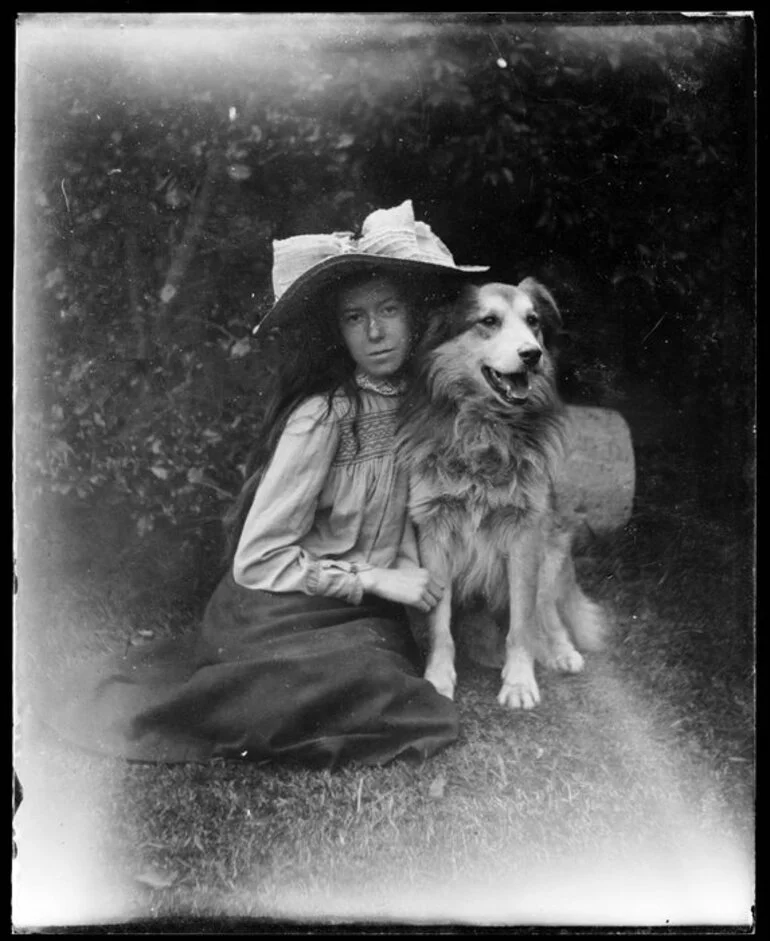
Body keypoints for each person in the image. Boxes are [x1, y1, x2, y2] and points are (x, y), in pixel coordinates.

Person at [41, 200, 488, 769]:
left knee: (383, 677)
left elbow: (410, 511)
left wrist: (405, 576)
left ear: (415, 316)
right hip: (279, 605)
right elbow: (257, 559)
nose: (375, 332)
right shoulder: (323, 418)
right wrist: (376, 576)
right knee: (368, 691)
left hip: (363, 613)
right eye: (354, 318)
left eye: (389, 309)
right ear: (339, 333)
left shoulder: (421, 410)